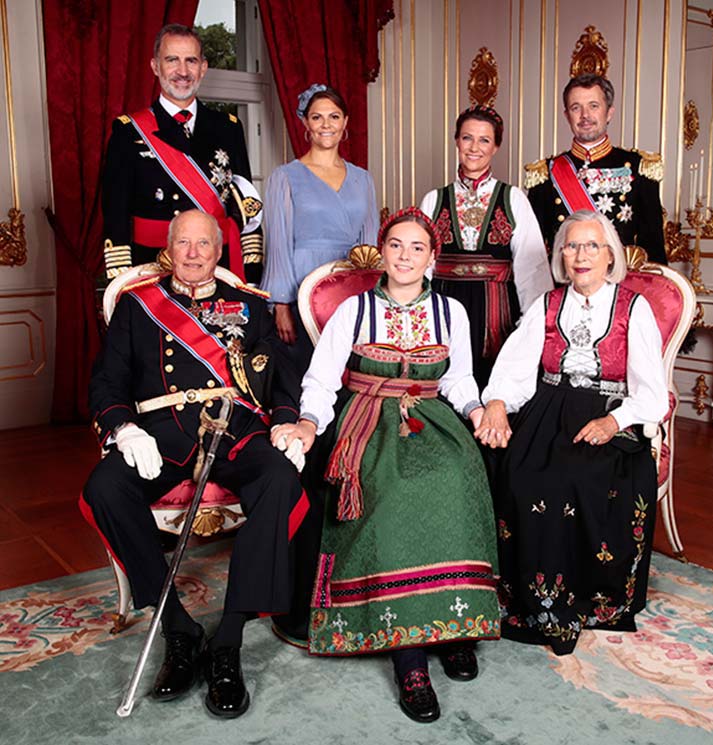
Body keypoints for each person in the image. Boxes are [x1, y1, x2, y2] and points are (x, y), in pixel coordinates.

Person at [272, 208, 501, 723]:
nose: (405, 256)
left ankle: (454, 625)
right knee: (394, 492)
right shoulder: (354, 310)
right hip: (366, 423)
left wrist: (478, 410)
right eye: (396, 245)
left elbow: (460, 380)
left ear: (432, 257)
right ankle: (410, 658)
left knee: (458, 476)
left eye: (417, 247)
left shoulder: (451, 313)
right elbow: (322, 379)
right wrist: (309, 423)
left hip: (432, 418)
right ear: (383, 251)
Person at [81, 210, 308, 719]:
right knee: (104, 487)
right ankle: (177, 626)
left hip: (234, 431)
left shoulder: (249, 307)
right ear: (169, 247)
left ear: (218, 249)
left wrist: (288, 422)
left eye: (203, 243)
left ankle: (228, 638)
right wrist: (123, 427)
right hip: (159, 439)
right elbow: (106, 381)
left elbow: (282, 377)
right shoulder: (139, 307)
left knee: (279, 478)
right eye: (182, 243)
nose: (192, 253)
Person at [476, 209, 667, 655]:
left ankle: (583, 597)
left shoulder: (633, 308)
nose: (581, 255)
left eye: (591, 246)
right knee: (521, 475)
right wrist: (499, 404)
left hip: (607, 412)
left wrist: (614, 421)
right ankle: (529, 596)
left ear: (609, 256)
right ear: (561, 254)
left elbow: (653, 394)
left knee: (577, 482)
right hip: (547, 409)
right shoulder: (547, 304)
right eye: (572, 245)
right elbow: (515, 372)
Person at [102, 24, 263, 283]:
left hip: (218, 267)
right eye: (172, 60)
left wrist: (251, 271)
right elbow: (115, 215)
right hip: (154, 268)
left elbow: (245, 205)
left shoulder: (228, 128)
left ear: (203, 67)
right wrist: (122, 280)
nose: (183, 71)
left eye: (191, 61)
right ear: (155, 66)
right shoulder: (128, 131)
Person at [420, 105, 552, 387]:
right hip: (446, 303)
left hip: (497, 310)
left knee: (492, 387)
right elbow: (422, 268)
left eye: (484, 140)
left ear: (496, 147)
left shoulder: (514, 198)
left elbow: (532, 270)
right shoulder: (433, 199)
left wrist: (531, 326)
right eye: (467, 138)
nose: (474, 147)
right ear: (456, 141)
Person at [260, 83, 378, 372]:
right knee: (306, 372)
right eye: (317, 117)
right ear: (305, 123)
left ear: (345, 122)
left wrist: (376, 299)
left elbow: (371, 245)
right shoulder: (285, 177)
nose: (326, 124)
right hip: (303, 291)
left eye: (334, 116)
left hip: (353, 291)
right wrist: (282, 305)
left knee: (354, 375)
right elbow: (278, 246)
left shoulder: (363, 179)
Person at [525, 74, 667, 265]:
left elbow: (652, 246)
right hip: (564, 286)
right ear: (567, 115)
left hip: (620, 285)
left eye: (593, 106)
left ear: (609, 112)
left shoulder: (639, 167)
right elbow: (533, 253)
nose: (585, 115)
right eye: (576, 108)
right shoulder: (545, 173)